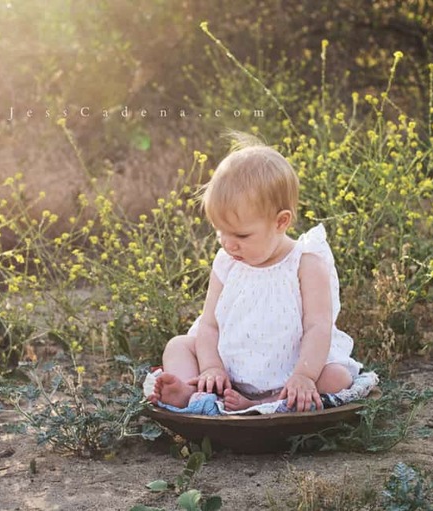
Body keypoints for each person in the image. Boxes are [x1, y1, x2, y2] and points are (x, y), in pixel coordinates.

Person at [149, 132, 361, 413]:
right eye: (220, 231)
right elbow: (209, 325)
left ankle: (268, 402)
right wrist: (212, 366)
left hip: (290, 370)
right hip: (230, 370)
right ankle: (195, 391)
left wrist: (304, 376)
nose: (228, 243)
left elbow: (318, 326)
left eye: (241, 234)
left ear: (281, 222)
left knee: (337, 377)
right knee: (179, 346)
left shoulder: (306, 262)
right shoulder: (227, 262)